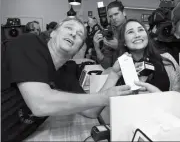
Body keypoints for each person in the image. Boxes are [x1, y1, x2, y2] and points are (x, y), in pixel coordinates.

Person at [1, 17, 133, 142]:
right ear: (52, 33)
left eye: (80, 34)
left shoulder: (66, 73)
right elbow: (40, 104)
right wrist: (103, 97)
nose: (73, 34)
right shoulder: (29, 43)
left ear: (78, 49)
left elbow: (91, 111)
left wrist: (113, 75)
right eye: (69, 28)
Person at [108, 19, 180, 92]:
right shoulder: (119, 68)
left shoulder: (167, 59)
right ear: (124, 42)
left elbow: (178, 96)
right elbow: (104, 99)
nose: (137, 35)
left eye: (140, 30)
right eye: (130, 32)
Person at [93, 1, 127, 68]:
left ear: (124, 12)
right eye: (111, 16)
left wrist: (119, 47)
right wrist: (97, 48)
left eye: (116, 14)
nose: (113, 18)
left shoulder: (133, 28)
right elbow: (106, 65)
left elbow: (139, 57)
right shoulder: (110, 33)